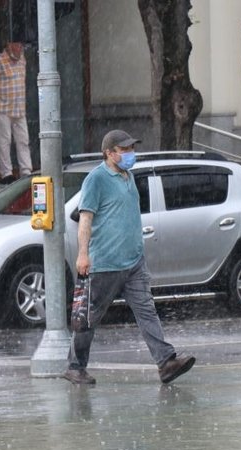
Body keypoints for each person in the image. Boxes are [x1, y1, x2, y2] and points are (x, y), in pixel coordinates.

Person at [63, 129, 196, 386]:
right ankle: (75, 366)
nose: (129, 154)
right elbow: (85, 219)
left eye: (130, 149)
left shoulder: (128, 176)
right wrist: (83, 255)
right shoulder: (96, 180)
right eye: (123, 150)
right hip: (105, 263)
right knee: (89, 317)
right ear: (109, 153)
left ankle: (166, 362)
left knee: (147, 311)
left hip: (134, 261)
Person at [0, 41, 33, 184]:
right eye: (16, 46)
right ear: (9, 46)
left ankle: (26, 171)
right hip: (2, 108)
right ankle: (6, 173)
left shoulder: (22, 59)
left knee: (23, 140)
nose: (19, 49)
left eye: (20, 46)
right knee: (4, 140)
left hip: (19, 107)